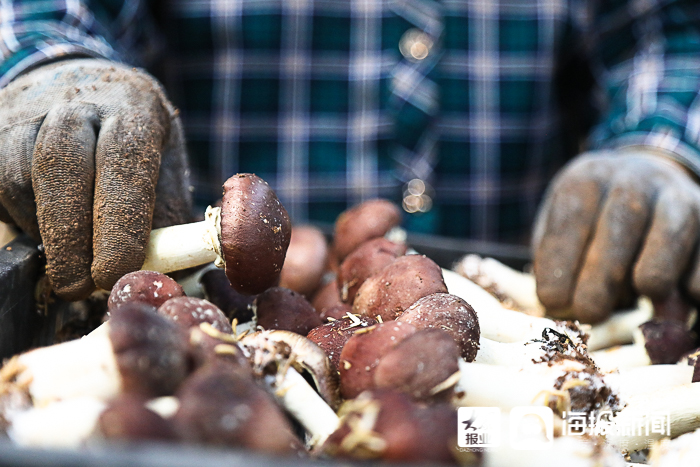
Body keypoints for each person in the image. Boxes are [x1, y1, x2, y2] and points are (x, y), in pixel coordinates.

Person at [0, 0, 699, 324]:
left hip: (537, 303)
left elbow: (665, 33)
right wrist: (54, 68)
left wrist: (661, 148)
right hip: (202, 309)